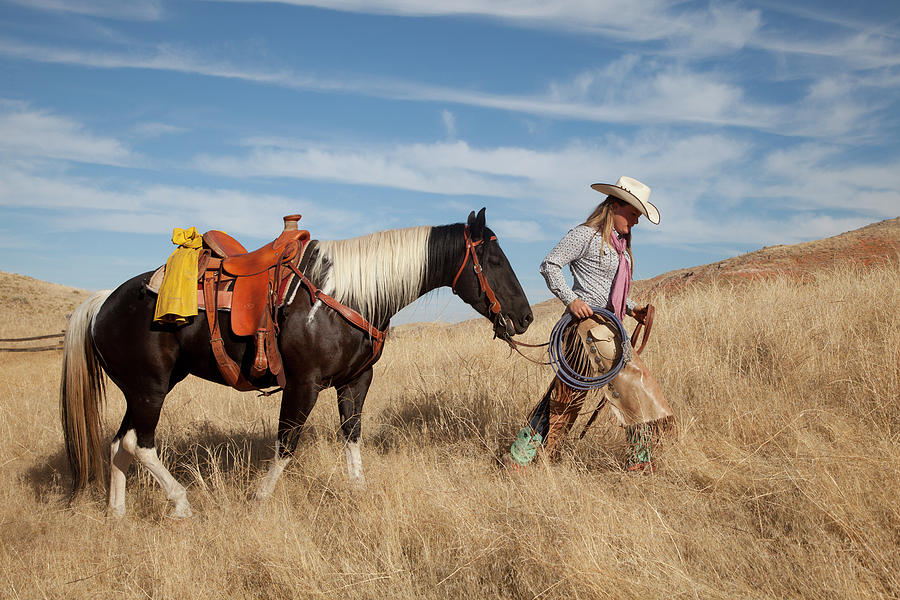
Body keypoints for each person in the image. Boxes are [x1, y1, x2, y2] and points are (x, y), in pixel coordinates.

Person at [505, 176, 673, 472]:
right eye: (633, 213)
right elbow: (550, 265)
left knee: (568, 394)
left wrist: (633, 309)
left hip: (608, 328)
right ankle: (639, 458)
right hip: (584, 328)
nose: (635, 221)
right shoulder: (585, 235)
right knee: (622, 382)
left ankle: (521, 455)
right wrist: (571, 300)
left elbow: (609, 290)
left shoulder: (619, 246)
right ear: (615, 206)